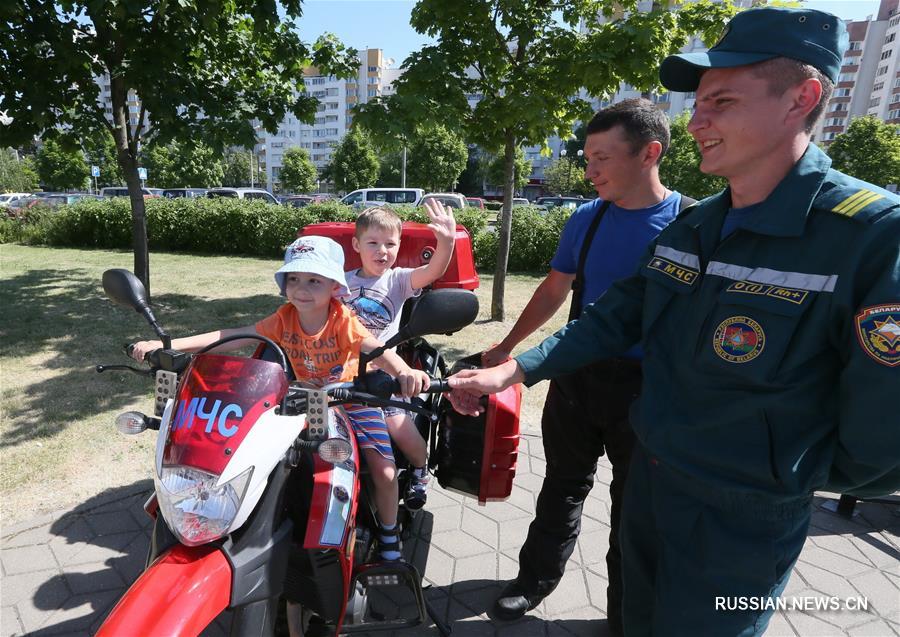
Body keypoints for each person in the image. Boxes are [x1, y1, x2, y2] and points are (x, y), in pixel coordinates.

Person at [448, 7, 900, 636]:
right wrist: (516, 369)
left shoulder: (870, 235)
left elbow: (885, 427)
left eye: (721, 101)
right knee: (635, 619)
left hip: (742, 518)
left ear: (803, 98)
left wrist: (779, 478)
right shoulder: (697, 226)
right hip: (655, 482)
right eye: (697, 103)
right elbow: (616, 316)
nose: (696, 121)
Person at [480, 99, 692, 633]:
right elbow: (555, 289)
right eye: (586, 156)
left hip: (648, 392)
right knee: (561, 487)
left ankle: (623, 615)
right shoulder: (586, 218)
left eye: (601, 157)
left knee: (633, 509)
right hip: (577, 378)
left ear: (650, 153)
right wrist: (507, 347)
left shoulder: (691, 224)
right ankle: (533, 583)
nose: (589, 169)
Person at [131, 235, 432, 562]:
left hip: (348, 400)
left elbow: (376, 349)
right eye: (294, 279)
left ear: (334, 286)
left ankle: (389, 534)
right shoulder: (283, 318)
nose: (302, 288)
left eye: (314, 280)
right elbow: (232, 337)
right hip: (300, 401)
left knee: (384, 470)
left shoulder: (344, 321)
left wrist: (405, 372)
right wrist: (170, 344)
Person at [345, 200, 457, 509]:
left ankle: (420, 471)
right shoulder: (341, 282)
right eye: (373, 243)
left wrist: (445, 242)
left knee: (401, 432)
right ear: (356, 244)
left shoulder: (397, 280)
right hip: (341, 372)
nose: (382, 250)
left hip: (386, 375)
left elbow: (433, 270)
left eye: (390, 244)